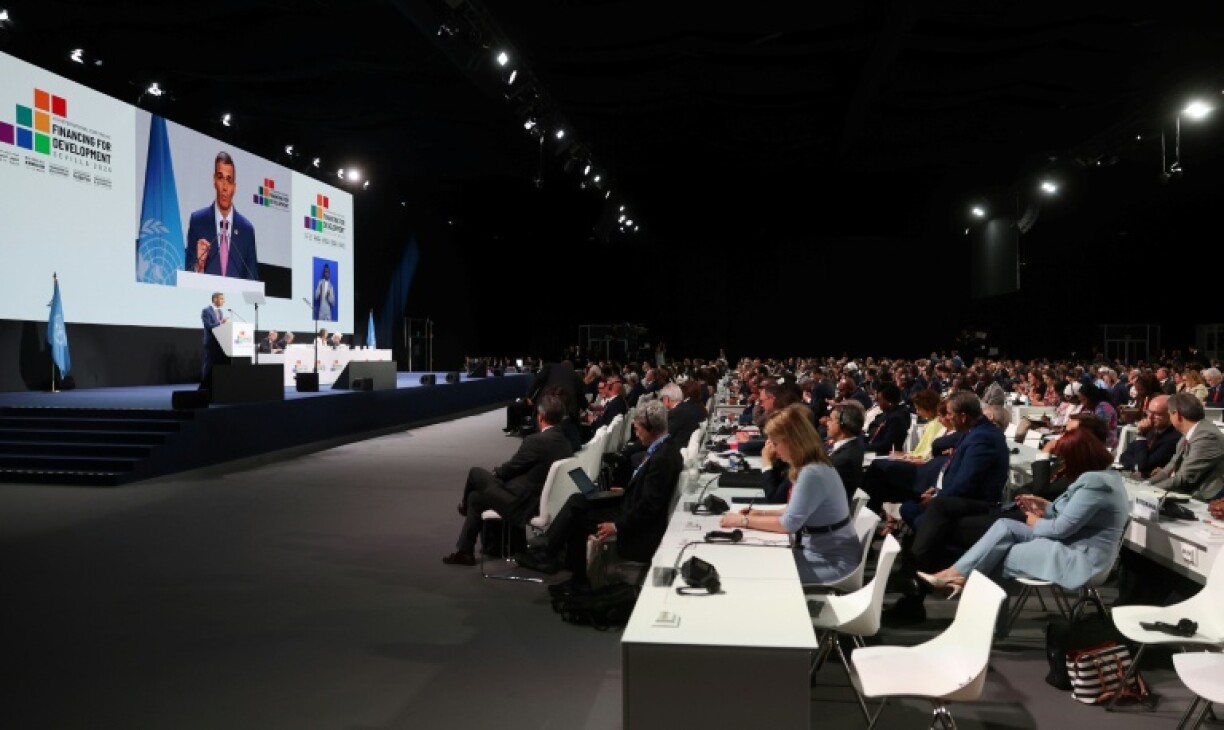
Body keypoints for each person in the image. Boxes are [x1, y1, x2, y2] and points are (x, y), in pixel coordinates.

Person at [917, 425, 1128, 594]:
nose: (1063, 464)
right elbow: (1073, 515)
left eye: (1065, 459)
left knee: (996, 553)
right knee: (1004, 527)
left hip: (1081, 560)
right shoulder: (1103, 477)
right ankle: (957, 575)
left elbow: (1061, 529)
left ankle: (972, 602)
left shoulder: (1095, 483)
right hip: (1069, 546)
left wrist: (1032, 520)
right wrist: (1045, 506)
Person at [513, 399, 682, 596]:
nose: (636, 434)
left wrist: (616, 526)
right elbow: (646, 496)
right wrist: (624, 492)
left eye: (638, 429)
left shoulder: (662, 458)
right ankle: (555, 557)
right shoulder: (664, 449)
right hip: (629, 504)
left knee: (577, 517)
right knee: (578, 500)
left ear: (651, 428)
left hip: (637, 525)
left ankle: (558, 561)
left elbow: (648, 507)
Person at [717, 404, 859, 585]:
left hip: (834, 563)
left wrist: (743, 521)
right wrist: (760, 514)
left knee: (758, 570)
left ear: (792, 441)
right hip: (822, 554)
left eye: (776, 444)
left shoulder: (812, 473)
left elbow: (789, 524)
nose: (774, 450)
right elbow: (796, 510)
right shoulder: (812, 466)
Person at [442, 392, 574, 566]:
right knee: (476, 498)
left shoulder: (536, 441)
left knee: (475, 473)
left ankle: (464, 508)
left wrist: (496, 474)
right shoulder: (566, 441)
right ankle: (465, 552)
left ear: (541, 417)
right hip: (538, 500)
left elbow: (510, 468)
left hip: (518, 502)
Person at [184, 151, 259, 280]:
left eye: (229, 180)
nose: (224, 187)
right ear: (214, 181)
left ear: (234, 187)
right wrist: (198, 266)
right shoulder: (197, 221)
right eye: (220, 178)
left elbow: (252, 278)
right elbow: (187, 272)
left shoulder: (247, 230)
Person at [1147, 391, 1224, 501]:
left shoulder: (1207, 436)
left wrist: (1148, 490)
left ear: (1177, 415)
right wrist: (1147, 483)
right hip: (1190, 491)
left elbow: (1184, 478)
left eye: (1169, 414)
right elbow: (1170, 467)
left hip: (1207, 498)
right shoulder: (1190, 432)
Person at [1117, 394, 1180, 478]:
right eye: (1149, 412)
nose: (1150, 417)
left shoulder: (1174, 437)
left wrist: (1141, 437)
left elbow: (1144, 466)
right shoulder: (1150, 429)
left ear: (1170, 415)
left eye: (1157, 414)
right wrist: (1137, 466)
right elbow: (1124, 456)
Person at [199, 291, 229, 389]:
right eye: (221, 298)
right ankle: (204, 386)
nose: (223, 301)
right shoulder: (206, 311)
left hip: (219, 342)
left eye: (223, 299)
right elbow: (208, 326)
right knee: (209, 364)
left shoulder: (220, 311)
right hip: (210, 342)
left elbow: (219, 327)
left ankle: (214, 384)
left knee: (217, 365)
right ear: (215, 299)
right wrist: (221, 322)